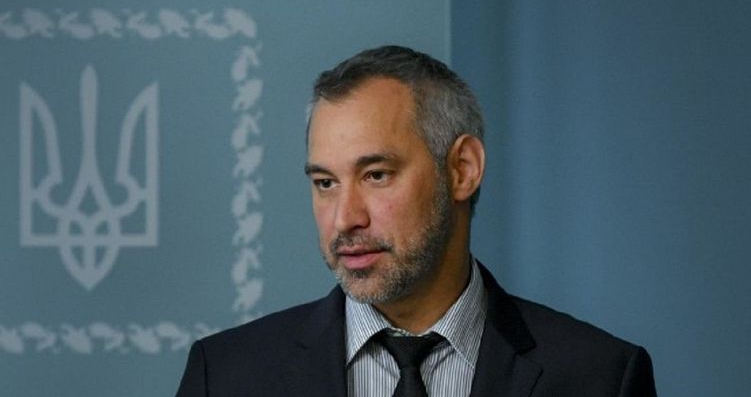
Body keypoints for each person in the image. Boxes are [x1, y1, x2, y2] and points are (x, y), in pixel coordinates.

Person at [176, 45, 657, 396]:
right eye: (325, 182)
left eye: (376, 175)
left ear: (462, 169)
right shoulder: (225, 376)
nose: (345, 218)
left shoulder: (600, 377)